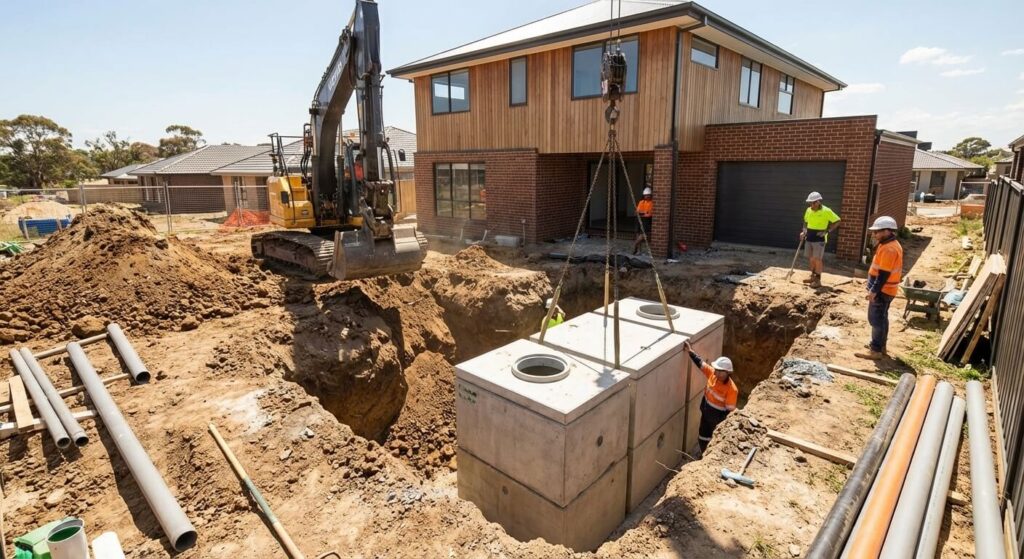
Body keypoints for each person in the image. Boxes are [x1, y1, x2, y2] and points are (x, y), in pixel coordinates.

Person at [855, 216, 903, 360]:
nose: (874, 234)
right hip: (885, 289)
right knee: (882, 318)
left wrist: (873, 291)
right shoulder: (887, 244)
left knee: (875, 320)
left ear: (887, 231)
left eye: (877, 232)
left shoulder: (889, 249)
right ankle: (880, 346)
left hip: (883, 290)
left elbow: (883, 275)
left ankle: (875, 350)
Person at [683, 340, 738, 455]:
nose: (716, 373)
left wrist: (720, 425)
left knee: (715, 441)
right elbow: (700, 363)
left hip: (717, 420)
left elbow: (730, 413)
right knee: (702, 437)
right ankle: (703, 456)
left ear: (727, 373)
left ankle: (710, 457)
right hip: (706, 413)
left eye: (720, 371)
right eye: (716, 370)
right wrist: (690, 351)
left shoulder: (731, 389)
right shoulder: (712, 374)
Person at [800, 192, 841, 287]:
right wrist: (804, 231)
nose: (811, 205)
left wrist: (827, 230)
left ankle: (818, 280)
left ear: (818, 202)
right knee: (811, 259)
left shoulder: (826, 211)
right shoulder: (808, 210)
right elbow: (805, 222)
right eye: (810, 203)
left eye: (813, 203)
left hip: (819, 239)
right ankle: (813, 277)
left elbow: (838, 220)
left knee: (817, 259)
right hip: (809, 237)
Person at [633, 187, 654, 255]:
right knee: (638, 234)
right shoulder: (641, 202)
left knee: (642, 235)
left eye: (648, 195)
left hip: (646, 220)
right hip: (639, 219)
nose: (647, 196)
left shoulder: (652, 203)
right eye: (645, 195)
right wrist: (643, 213)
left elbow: (649, 214)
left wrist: (642, 213)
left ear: (650, 195)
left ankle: (635, 245)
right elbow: (637, 211)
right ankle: (639, 251)